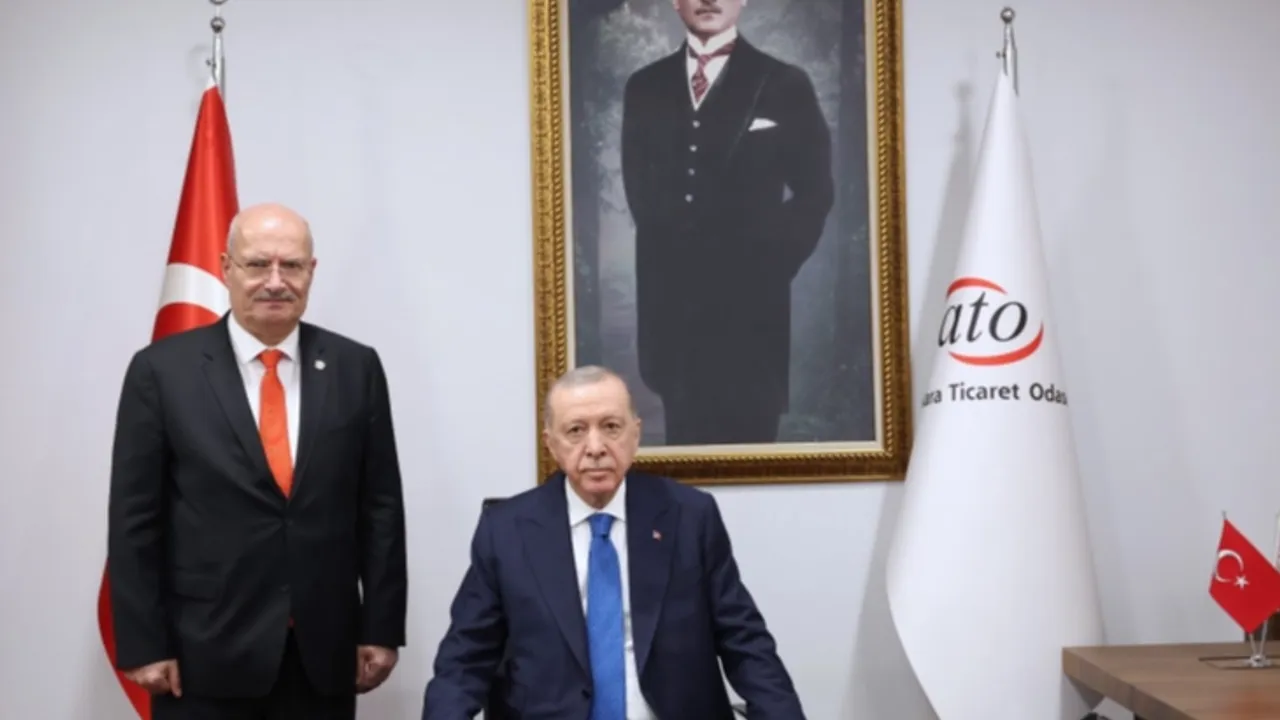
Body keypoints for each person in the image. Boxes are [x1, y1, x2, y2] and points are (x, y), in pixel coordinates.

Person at [106, 202, 408, 720]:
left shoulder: (356, 367)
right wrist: (143, 643)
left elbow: (380, 508)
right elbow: (135, 518)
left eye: (291, 266)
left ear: (311, 271)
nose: (275, 281)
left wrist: (381, 628)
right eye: (257, 264)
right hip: (201, 656)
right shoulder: (162, 371)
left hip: (322, 655)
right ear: (226, 267)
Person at [421, 365, 804, 719]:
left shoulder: (689, 517)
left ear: (635, 434)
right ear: (551, 444)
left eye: (611, 427)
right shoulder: (506, 531)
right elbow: (464, 660)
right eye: (576, 431)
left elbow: (745, 642)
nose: (595, 447)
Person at [621, 0, 834, 446]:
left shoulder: (784, 83)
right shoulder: (644, 87)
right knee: (685, 463)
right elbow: (641, 193)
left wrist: (768, 264)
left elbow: (815, 192)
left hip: (752, 318)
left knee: (752, 452)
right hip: (674, 319)